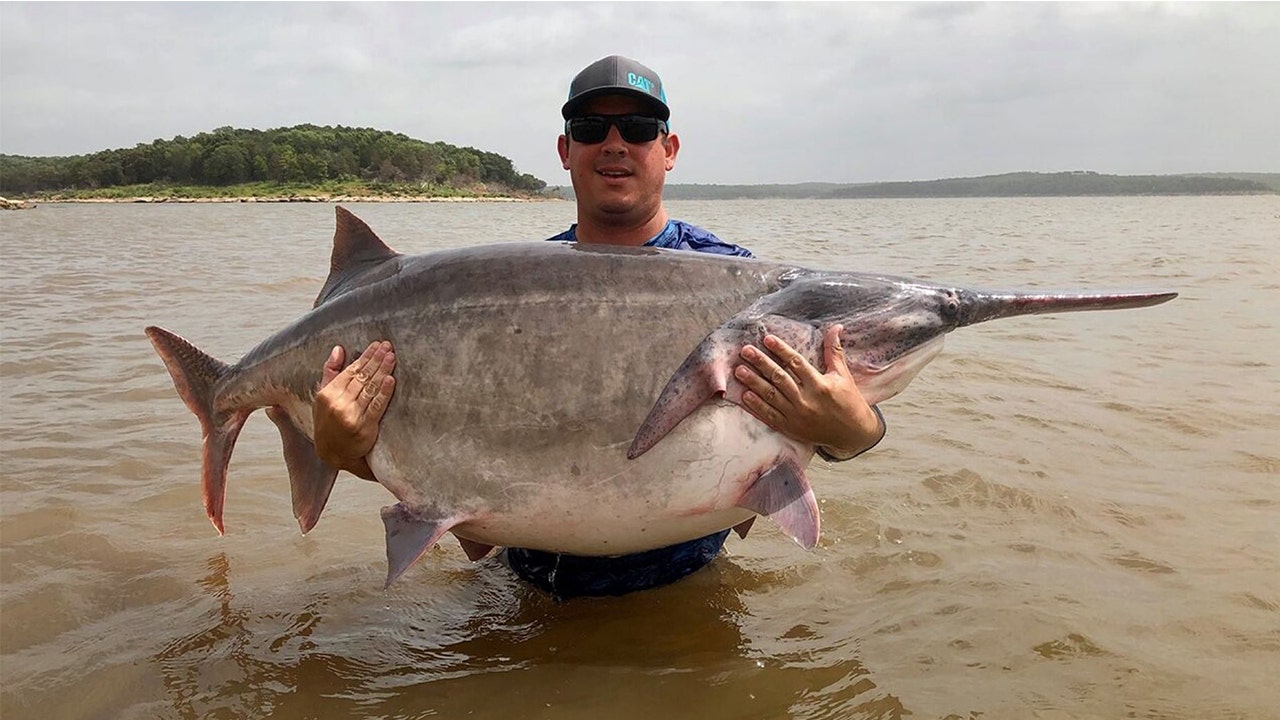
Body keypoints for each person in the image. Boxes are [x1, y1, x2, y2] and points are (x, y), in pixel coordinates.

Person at [312, 56, 886, 598]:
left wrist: (855, 430)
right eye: (591, 127)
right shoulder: (511, 290)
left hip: (682, 588)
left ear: (670, 149)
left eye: (638, 127)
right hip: (521, 587)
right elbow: (447, 446)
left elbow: (833, 401)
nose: (615, 143)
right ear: (566, 150)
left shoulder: (735, 281)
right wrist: (343, 452)